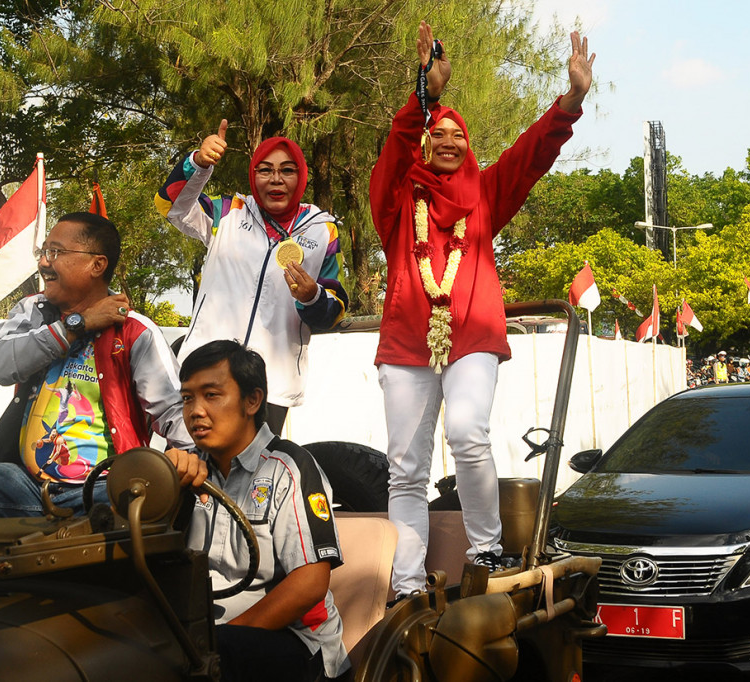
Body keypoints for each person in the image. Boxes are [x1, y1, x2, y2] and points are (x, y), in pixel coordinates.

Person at [369, 21, 594, 599]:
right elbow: (395, 152)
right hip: (406, 346)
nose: (447, 142)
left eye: (457, 136)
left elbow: (531, 154)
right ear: (423, 141)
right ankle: (406, 583)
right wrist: (426, 98)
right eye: (437, 134)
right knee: (406, 470)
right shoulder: (397, 201)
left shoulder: (487, 195)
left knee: (469, 432)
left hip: (472, 338)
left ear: (469, 147)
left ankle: (488, 550)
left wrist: (569, 102)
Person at [0, 213, 193, 518]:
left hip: (102, 487)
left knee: (123, 519)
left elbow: (174, 412)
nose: (43, 263)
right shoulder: (34, 310)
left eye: (55, 252)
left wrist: (190, 459)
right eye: (42, 252)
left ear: (97, 264)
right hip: (22, 481)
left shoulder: (135, 331)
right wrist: (76, 325)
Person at [164, 340, 348, 681]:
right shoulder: (184, 470)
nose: (195, 411)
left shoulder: (288, 468)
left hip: (295, 646)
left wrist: (212, 646)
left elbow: (310, 583)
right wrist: (163, 482)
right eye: (187, 398)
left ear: (252, 400)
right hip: (205, 636)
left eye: (212, 395)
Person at [156, 121, 349, 434]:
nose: (276, 179)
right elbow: (170, 205)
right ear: (253, 175)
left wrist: (311, 297)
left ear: (301, 177)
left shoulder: (322, 230)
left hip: (271, 386)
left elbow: (335, 307)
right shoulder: (227, 213)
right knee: (192, 473)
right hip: (206, 375)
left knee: (255, 477)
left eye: (287, 170)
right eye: (265, 170)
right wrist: (198, 163)